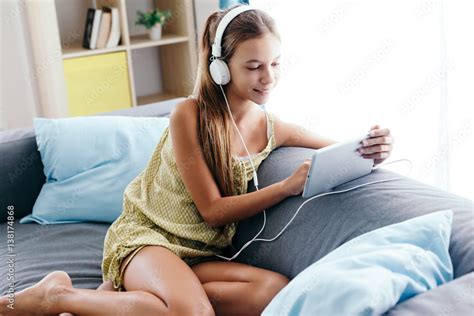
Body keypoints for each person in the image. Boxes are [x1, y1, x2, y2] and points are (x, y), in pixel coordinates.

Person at [0, 4, 394, 316]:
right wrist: (287, 186)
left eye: (274, 64)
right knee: (196, 313)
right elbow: (213, 211)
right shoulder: (189, 115)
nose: (268, 77)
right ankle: (59, 296)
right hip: (149, 239)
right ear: (221, 68)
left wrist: (373, 148)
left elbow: (342, 149)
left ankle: (135, 300)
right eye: (253, 66)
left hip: (196, 256)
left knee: (272, 291)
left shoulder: (273, 126)